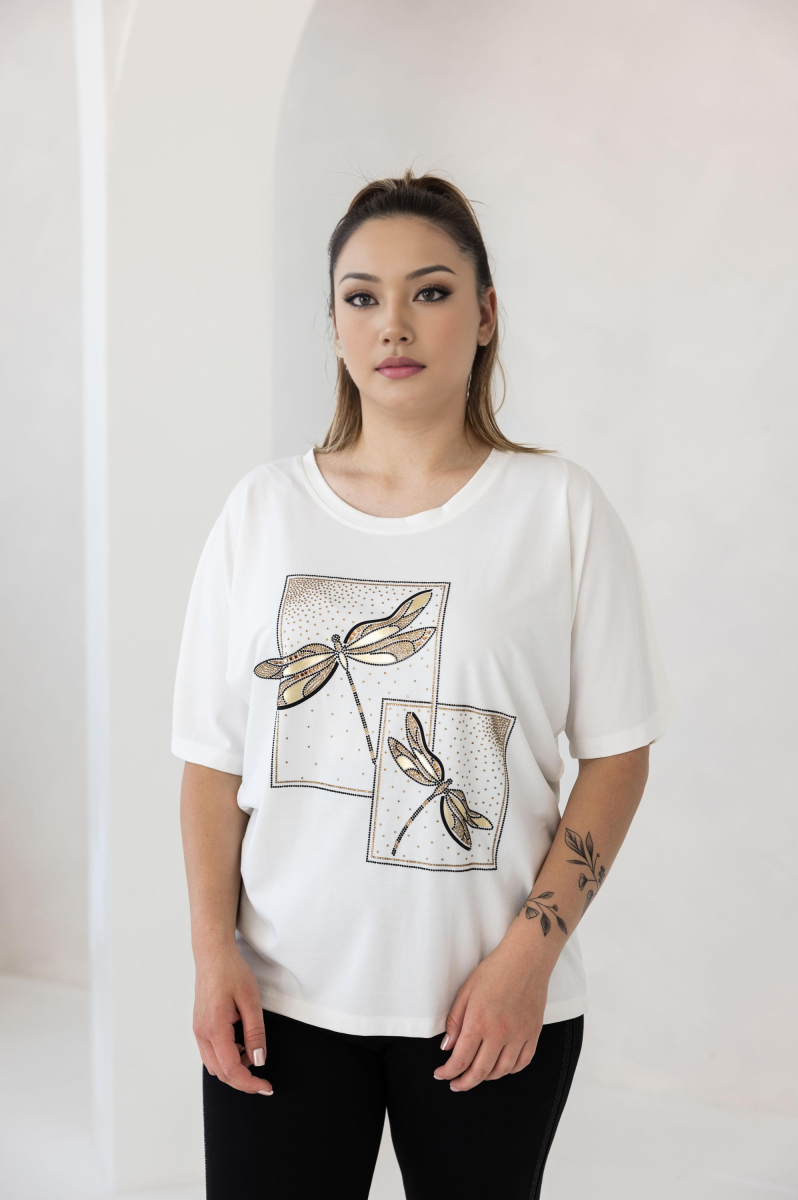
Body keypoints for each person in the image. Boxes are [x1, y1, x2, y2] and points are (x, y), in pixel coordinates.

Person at [171, 167, 678, 1199]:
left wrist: (526, 964)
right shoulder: (261, 512)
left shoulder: (558, 509)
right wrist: (213, 955)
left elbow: (616, 758)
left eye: (430, 291)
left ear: (485, 315)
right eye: (361, 296)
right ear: (332, 325)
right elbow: (212, 766)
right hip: (282, 1004)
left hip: (485, 1011)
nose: (392, 324)